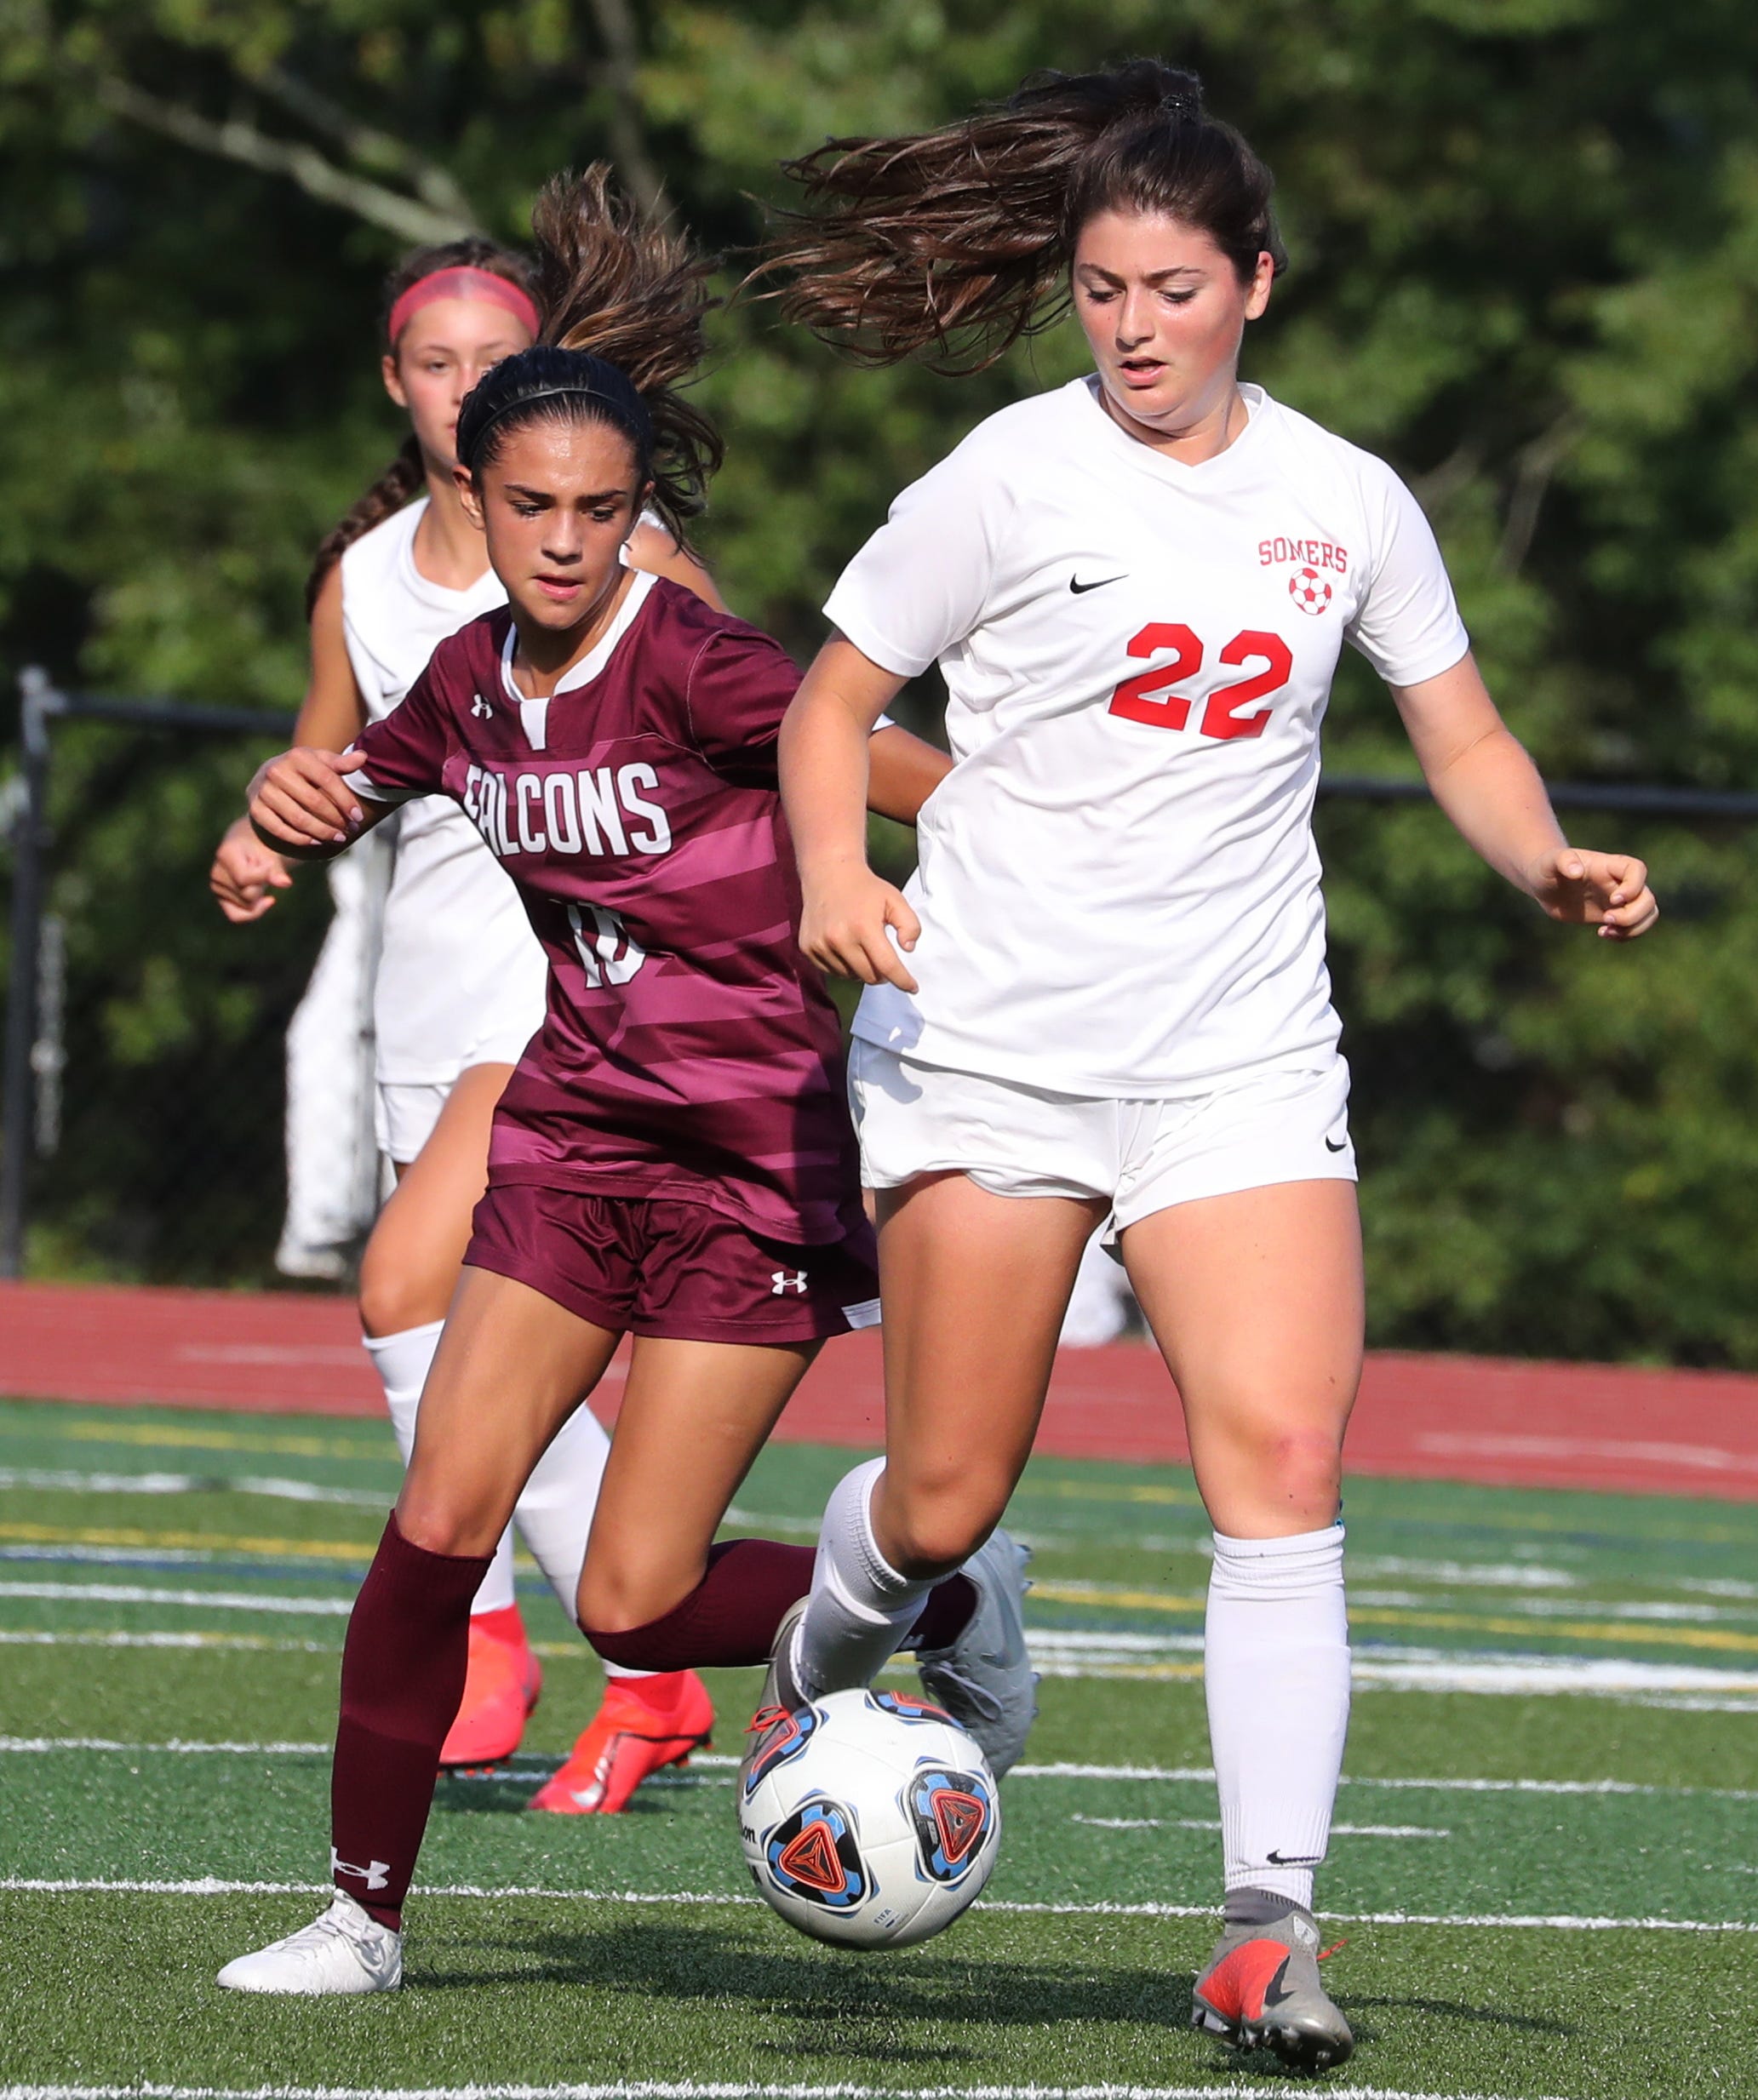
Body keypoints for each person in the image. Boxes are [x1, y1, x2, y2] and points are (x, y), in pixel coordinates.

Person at [761, 62, 1660, 2073]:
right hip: (989, 1047)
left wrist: (1545, 862)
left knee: (1280, 1464)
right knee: (941, 1490)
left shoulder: (1346, 499)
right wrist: (837, 867)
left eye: (1171, 287)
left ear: (1255, 281)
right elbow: (831, 703)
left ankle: (1267, 1928)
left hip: (1239, 1060)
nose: (1134, 326)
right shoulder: (1006, 472)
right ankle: (822, 1656)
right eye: (1098, 290)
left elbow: (1464, 734)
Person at [214, 173, 994, 1998]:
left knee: (634, 1598)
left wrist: (901, 873)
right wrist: (273, 817)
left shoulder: (705, 664)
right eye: (534, 507)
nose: (567, 543)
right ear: (471, 500)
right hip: (570, 1142)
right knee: (437, 1519)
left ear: (639, 512)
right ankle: (361, 1917)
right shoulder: (470, 681)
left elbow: (896, 771)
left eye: (602, 509)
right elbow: (357, 770)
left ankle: (953, 1597)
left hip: (747, 1162)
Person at [209, 207, 725, 1805]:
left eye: (490, 361)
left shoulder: (621, 556)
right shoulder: (362, 582)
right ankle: (639, 1671)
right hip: (419, 1003)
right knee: (459, 1349)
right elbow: (337, 767)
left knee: (397, 1285)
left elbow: (754, 724)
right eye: (434, 364)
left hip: (568, 994)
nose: (459, 388)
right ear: (396, 384)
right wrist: (261, 830)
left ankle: (502, 1645)